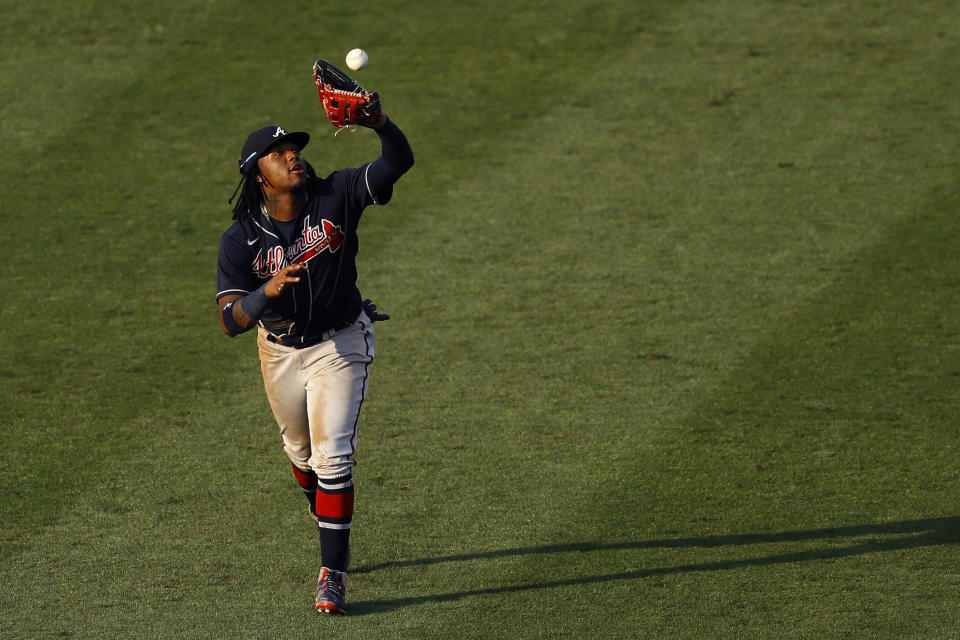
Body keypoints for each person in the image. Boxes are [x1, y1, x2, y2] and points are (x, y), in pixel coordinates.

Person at [215, 105, 414, 615]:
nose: (292, 157)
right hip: (278, 351)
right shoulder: (241, 241)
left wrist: (379, 123)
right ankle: (326, 515)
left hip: (341, 343)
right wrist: (265, 293)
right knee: (300, 453)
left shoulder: (338, 194)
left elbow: (399, 161)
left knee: (333, 458)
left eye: (295, 149)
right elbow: (230, 320)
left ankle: (333, 573)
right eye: (278, 154)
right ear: (257, 175)